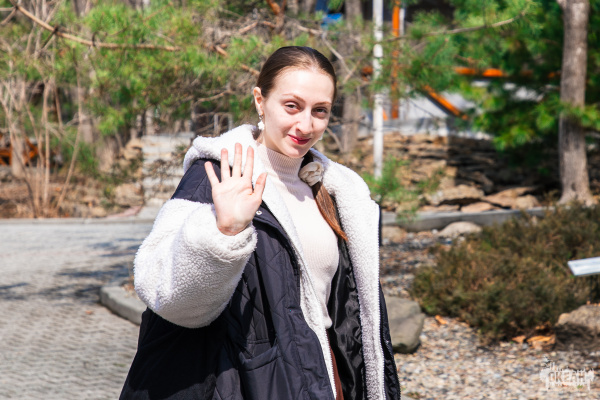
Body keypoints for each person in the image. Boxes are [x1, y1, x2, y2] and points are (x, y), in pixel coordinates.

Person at [120, 46, 400, 400]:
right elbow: (167, 297)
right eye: (292, 106)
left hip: (323, 378)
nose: (306, 125)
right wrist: (224, 234)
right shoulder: (218, 176)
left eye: (320, 111)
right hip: (245, 384)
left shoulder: (333, 190)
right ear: (260, 101)